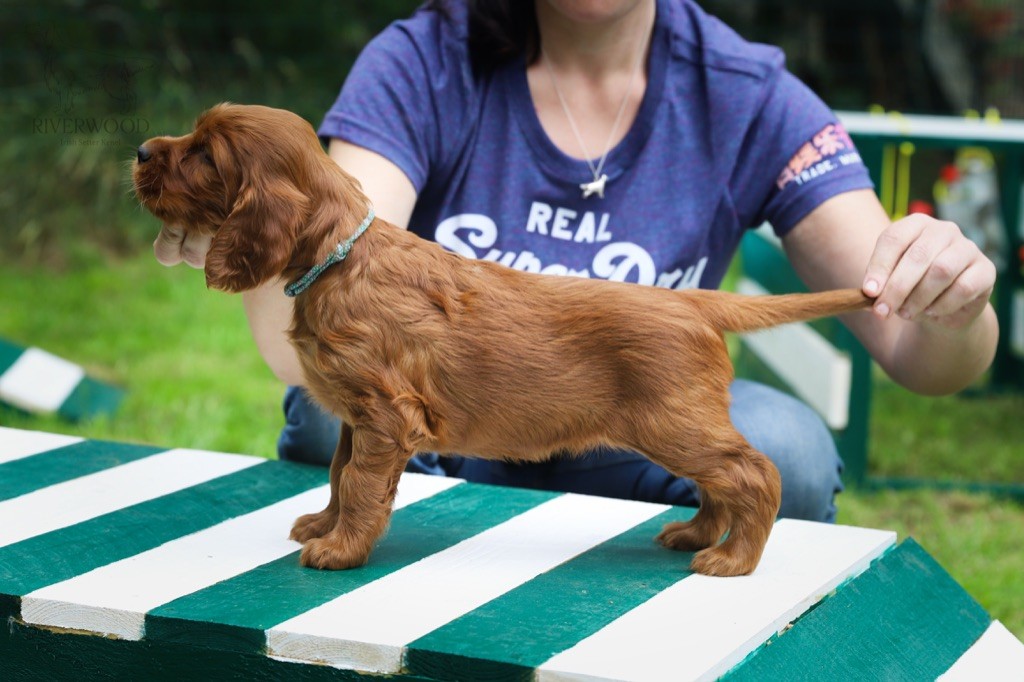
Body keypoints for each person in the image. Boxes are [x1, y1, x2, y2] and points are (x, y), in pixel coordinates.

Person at [153, 0, 998, 523]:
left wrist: (953, 299)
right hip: (459, 427)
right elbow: (331, 267)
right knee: (327, 412)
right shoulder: (423, 60)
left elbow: (916, 350)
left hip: (634, 414)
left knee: (792, 452)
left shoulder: (750, 93)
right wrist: (249, 233)